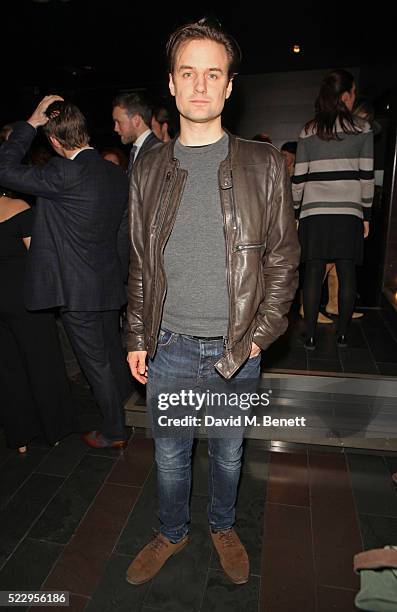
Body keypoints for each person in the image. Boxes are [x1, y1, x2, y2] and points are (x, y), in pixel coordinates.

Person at [124, 17, 300, 586]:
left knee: (227, 456)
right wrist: (134, 334)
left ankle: (223, 526)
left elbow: (283, 262)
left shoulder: (264, 164)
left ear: (229, 86)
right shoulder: (147, 167)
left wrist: (256, 336)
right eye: (187, 73)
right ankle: (171, 532)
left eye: (213, 74)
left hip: (235, 350)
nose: (200, 85)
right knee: (170, 458)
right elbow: (139, 262)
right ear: (172, 85)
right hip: (168, 347)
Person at [0, 96, 133, 449]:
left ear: (55, 142)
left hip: (77, 290)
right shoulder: (115, 173)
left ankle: (115, 430)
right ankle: (125, 410)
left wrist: (30, 122)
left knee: (96, 364)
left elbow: (5, 169)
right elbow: (122, 231)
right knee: (111, 354)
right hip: (108, 282)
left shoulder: (61, 172)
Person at [292, 69, 374, 350]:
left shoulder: (308, 130)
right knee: (347, 270)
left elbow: (299, 178)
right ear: (345, 95)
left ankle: (311, 335)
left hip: (314, 213)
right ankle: (342, 334)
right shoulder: (363, 129)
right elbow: (366, 178)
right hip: (349, 212)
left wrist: (295, 213)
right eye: (352, 94)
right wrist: (366, 215)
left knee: (313, 271)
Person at [0, 187, 76, 452]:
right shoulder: (17, 207)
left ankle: (20, 437)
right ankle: (54, 429)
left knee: (8, 371)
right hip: (25, 301)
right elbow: (39, 256)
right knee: (42, 363)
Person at [112, 93, 161, 282]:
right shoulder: (139, 151)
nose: (115, 128)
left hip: (145, 255)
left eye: (118, 121)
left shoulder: (156, 153)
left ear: (137, 120)